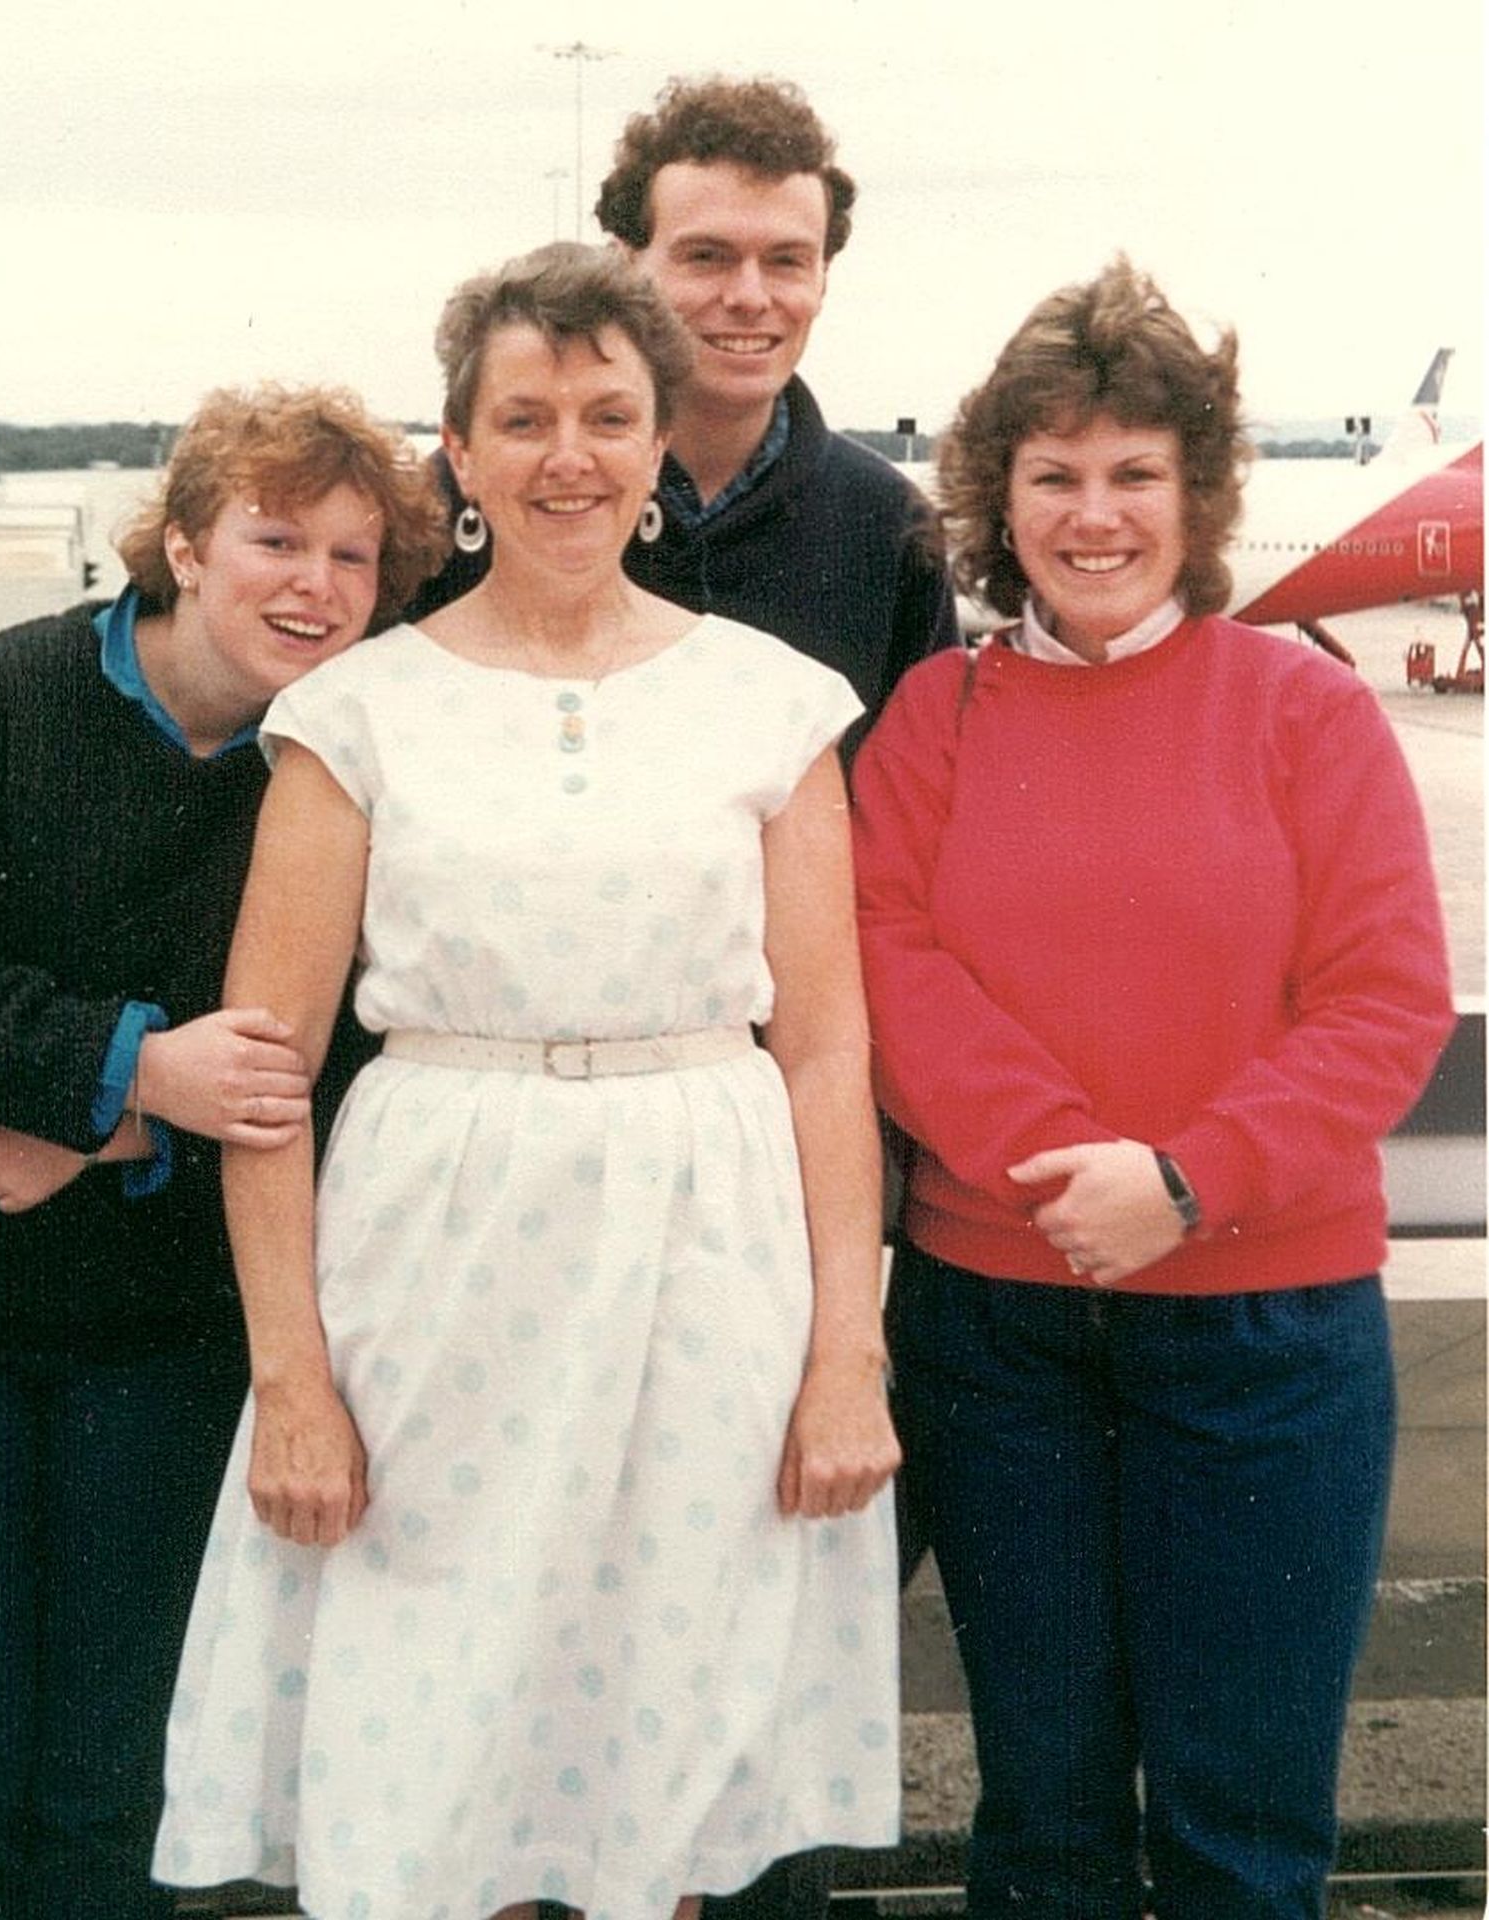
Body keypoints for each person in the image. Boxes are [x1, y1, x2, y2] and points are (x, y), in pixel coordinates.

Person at [154, 242, 902, 1920]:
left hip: (705, 1262)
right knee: (439, 1768)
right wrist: (293, 1382)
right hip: (436, 1264)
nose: (567, 454)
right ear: (461, 453)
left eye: (605, 416)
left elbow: (826, 1045)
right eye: (524, 417)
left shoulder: (772, 709)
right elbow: (265, 1077)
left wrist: (842, 1346)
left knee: (664, 1752)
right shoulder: (354, 717)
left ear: (652, 447)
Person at [0, 385, 447, 1920]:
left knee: (113, 1785)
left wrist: (104, 1129)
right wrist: (133, 1068)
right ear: (187, 543)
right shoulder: (6, 702)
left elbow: (348, 1040)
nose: (313, 586)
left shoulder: (342, 765)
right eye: (275, 538)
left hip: (161, 1330)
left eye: (352, 558)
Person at [850, 258, 1456, 1920]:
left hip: (1263, 1340)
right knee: (1038, 1817)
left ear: (1194, 496)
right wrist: (1065, 1167)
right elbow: (884, 964)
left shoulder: (1304, 713)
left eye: (1132, 474)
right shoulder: (932, 719)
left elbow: (1383, 998)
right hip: (997, 1340)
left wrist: (1186, 1179)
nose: (1091, 514)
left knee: (1236, 1826)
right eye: (1051, 475)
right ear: (997, 497)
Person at [410, 74, 958, 736]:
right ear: (624, 264)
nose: (750, 296)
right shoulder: (445, 505)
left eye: (786, 261)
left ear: (822, 279)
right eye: (707, 257)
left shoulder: (887, 528)